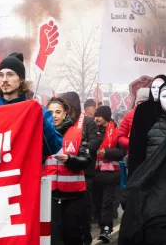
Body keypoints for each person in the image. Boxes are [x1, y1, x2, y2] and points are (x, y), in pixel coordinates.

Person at [0, 53, 62, 156]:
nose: (4, 79)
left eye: (10, 74)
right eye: (1, 75)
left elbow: (53, 148)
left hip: (27, 171)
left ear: (21, 79)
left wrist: (41, 119)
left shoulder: (38, 111)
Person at [44, 97, 93, 245]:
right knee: (52, 239)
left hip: (74, 198)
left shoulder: (77, 133)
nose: (54, 115)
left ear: (65, 114)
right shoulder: (41, 134)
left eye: (58, 112)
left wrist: (69, 160)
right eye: (50, 112)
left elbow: (87, 160)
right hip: (49, 197)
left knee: (73, 238)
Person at [60, 91, 100, 245]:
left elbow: (95, 141)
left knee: (84, 211)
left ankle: (86, 237)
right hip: (64, 175)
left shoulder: (88, 122)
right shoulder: (60, 121)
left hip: (85, 173)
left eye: (66, 105)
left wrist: (77, 150)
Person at [93, 106, 126, 243]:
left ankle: (105, 229)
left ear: (106, 116)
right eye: (95, 115)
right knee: (97, 203)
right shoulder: (93, 132)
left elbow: (122, 153)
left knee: (107, 203)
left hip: (111, 174)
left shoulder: (116, 133)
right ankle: (99, 224)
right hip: (95, 173)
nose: (96, 119)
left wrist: (106, 152)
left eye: (99, 115)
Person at [127, 75, 166, 176]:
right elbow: (135, 141)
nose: (155, 90)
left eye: (159, 87)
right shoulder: (143, 109)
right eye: (153, 87)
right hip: (144, 163)